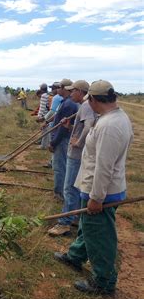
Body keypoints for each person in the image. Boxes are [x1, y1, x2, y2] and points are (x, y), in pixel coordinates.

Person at [54, 80, 133, 295]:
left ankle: (104, 282)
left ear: (96, 100)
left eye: (90, 99)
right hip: (96, 186)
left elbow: (104, 167)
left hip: (102, 191)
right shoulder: (117, 118)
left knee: (100, 237)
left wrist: (96, 197)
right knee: (88, 228)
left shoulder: (109, 126)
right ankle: (76, 256)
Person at [48, 80, 96, 236]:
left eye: (73, 90)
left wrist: (79, 142)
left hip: (76, 155)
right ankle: (74, 216)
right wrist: (68, 126)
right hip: (78, 154)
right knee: (75, 187)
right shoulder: (83, 106)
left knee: (69, 188)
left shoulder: (87, 106)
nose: (71, 93)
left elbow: (88, 126)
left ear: (81, 92)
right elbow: (83, 126)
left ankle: (64, 223)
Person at [48, 79, 79, 201]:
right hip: (61, 139)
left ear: (65, 88)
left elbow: (63, 128)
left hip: (62, 140)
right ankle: (60, 191)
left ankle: (59, 193)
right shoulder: (65, 102)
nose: (57, 89)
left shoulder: (68, 104)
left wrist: (53, 142)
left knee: (60, 167)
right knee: (61, 166)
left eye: (59, 87)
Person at [39, 82, 62, 153]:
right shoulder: (61, 97)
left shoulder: (56, 97)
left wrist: (44, 119)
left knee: (52, 140)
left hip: (54, 121)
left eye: (53, 88)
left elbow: (53, 111)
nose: (51, 90)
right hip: (58, 121)